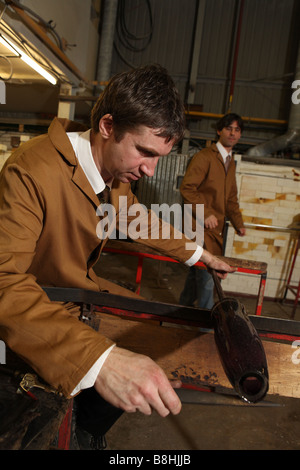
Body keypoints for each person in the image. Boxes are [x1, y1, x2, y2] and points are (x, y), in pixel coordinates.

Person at [0, 64, 234, 449]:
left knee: (153, 332)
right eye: (144, 152)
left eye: (159, 157)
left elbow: (132, 216)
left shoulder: (111, 171)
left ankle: (87, 432)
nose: (150, 169)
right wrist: (101, 361)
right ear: (108, 126)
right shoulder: (31, 171)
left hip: (76, 294)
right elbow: (5, 281)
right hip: (38, 304)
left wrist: (198, 254)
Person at [179, 113, 246, 310]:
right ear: (219, 131)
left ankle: (181, 312)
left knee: (196, 273)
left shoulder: (230, 162)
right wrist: (205, 213)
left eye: (237, 130)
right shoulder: (205, 157)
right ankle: (206, 326)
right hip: (199, 228)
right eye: (228, 129)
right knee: (209, 276)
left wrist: (238, 223)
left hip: (215, 231)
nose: (232, 133)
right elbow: (187, 188)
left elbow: (231, 198)